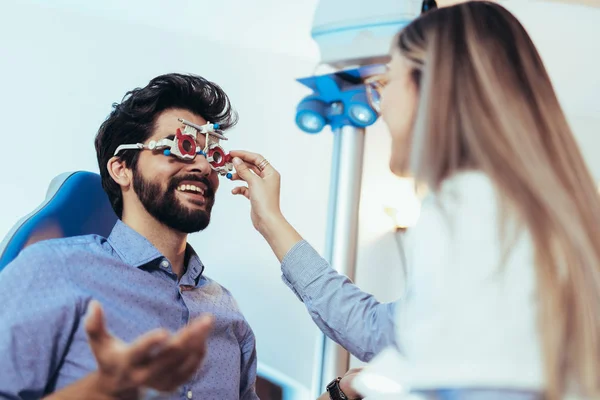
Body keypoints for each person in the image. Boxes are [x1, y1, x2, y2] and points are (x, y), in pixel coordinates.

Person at [228, 2, 600, 400]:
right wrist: (271, 221)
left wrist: (383, 384)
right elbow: (382, 331)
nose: (379, 104)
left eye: (386, 82)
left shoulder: (471, 206)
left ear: (433, 89)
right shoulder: (522, 212)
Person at [0, 73, 259, 400]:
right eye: (182, 146)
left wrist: (339, 392)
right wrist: (97, 391)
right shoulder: (53, 270)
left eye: (212, 155)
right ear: (122, 168)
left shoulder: (226, 310)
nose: (202, 167)